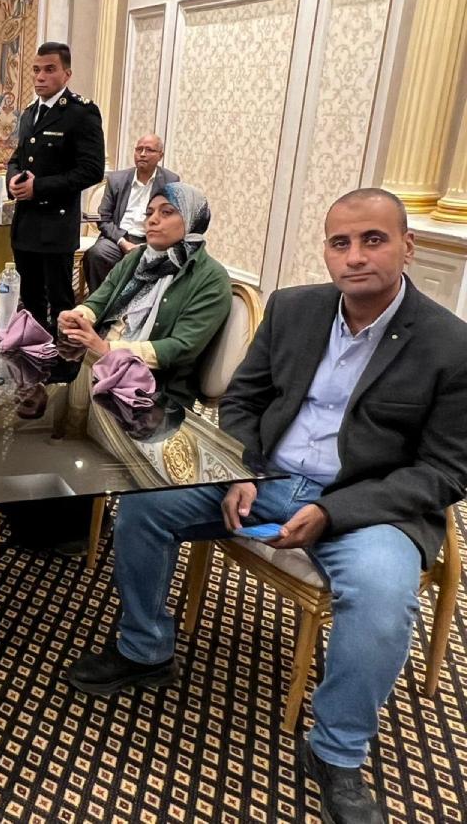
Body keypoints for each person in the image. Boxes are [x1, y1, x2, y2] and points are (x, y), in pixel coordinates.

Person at [65, 188, 467, 824]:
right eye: (340, 243)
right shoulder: (294, 309)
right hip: (266, 476)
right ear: (327, 251)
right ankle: (144, 648)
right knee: (145, 505)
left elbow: (445, 470)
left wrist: (333, 513)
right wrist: (242, 468)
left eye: (373, 240)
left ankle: (336, 754)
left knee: (383, 596)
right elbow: (244, 401)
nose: (355, 256)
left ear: (408, 247)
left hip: (368, 504)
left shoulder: (449, 344)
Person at [58, 182, 231, 398]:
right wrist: (77, 317)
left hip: (152, 392)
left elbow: (182, 347)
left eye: (166, 212)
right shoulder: (138, 257)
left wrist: (108, 350)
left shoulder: (211, 278)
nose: (152, 220)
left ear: (191, 219)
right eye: (149, 213)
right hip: (99, 366)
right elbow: (100, 300)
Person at [6, 41, 105, 332]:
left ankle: (63, 357)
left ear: (67, 74)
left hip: (56, 225)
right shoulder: (29, 113)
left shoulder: (81, 113)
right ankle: (33, 351)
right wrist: (12, 179)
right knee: (30, 301)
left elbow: (91, 170)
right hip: (26, 224)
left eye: (49, 70)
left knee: (61, 304)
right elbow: (17, 158)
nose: (40, 77)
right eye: (36, 70)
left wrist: (39, 187)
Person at [84, 134, 178, 292]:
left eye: (149, 150)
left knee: (159, 262)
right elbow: (104, 218)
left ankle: (133, 304)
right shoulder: (117, 179)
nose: (142, 154)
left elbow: (170, 220)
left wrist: (148, 245)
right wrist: (123, 242)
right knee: (97, 254)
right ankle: (101, 301)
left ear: (160, 155)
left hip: (150, 241)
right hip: (118, 238)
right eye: (139, 149)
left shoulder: (170, 181)